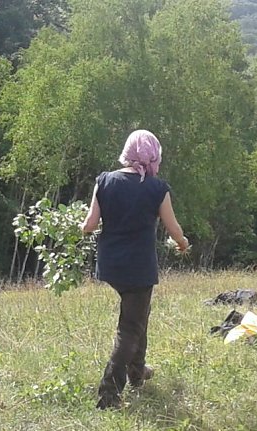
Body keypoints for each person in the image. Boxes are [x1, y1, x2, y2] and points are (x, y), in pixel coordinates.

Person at [79, 129, 189, 410]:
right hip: (138, 268)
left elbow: (90, 224)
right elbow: (173, 227)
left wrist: (81, 228)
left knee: (138, 316)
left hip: (111, 264)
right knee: (130, 327)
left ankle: (138, 373)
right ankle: (108, 394)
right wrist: (183, 243)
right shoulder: (156, 188)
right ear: (153, 155)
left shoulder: (104, 181)